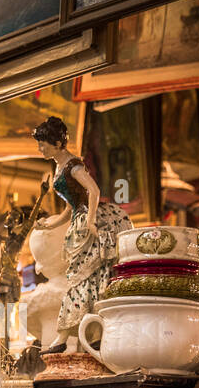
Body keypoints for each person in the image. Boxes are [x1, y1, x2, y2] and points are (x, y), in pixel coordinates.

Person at [30, 116, 132, 354]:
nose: (40, 148)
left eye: (43, 144)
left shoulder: (74, 166)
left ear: (57, 143)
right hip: (78, 221)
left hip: (88, 223)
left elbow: (93, 192)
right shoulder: (59, 167)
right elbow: (71, 206)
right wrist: (52, 224)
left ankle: (74, 336)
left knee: (84, 278)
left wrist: (90, 220)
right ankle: (71, 336)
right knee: (80, 279)